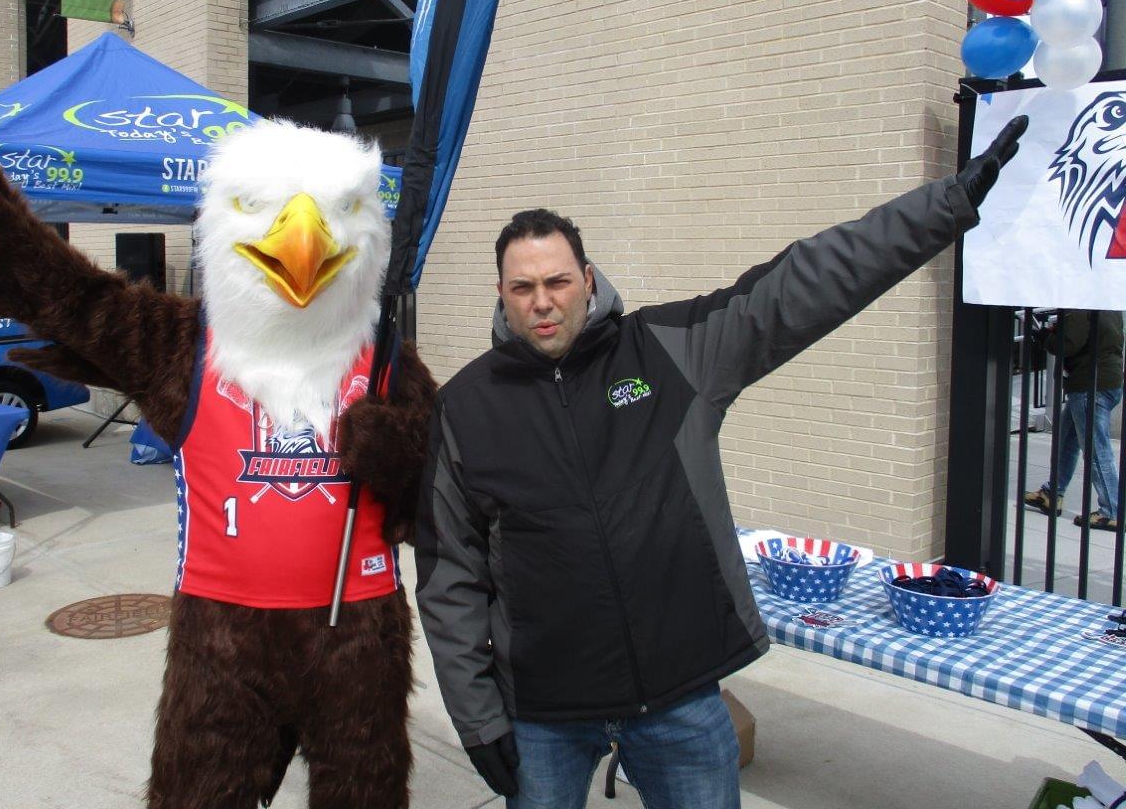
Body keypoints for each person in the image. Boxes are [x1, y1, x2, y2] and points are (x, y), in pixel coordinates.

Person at [413, 116, 1028, 809]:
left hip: (681, 694)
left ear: (587, 279)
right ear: (501, 295)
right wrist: (478, 719)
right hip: (545, 709)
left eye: (556, 281)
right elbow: (449, 579)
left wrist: (946, 205)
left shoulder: (671, 350)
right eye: (522, 289)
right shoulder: (465, 407)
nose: (543, 302)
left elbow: (803, 283)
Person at [1025, 309, 1123, 530]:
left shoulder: (1079, 303)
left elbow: (1069, 344)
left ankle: (1112, 510)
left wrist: (1046, 338)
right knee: (1068, 438)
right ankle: (1051, 493)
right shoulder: (1107, 300)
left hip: (1090, 385)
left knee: (1097, 450)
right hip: (1106, 379)